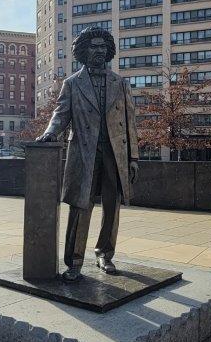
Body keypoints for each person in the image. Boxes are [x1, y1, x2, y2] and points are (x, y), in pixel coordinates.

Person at [36, 27, 139, 282]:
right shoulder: (72, 84)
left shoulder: (120, 83)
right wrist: (50, 133)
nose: (99, 51)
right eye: (94, 47)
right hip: (84, 153)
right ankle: (75, 261)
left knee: (112, 208)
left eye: (103, 47)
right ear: (83, 51)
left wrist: (133, 157)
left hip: (114, 154)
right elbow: (60, 115)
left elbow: (130, 122)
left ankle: (105, 254)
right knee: (81, 206)